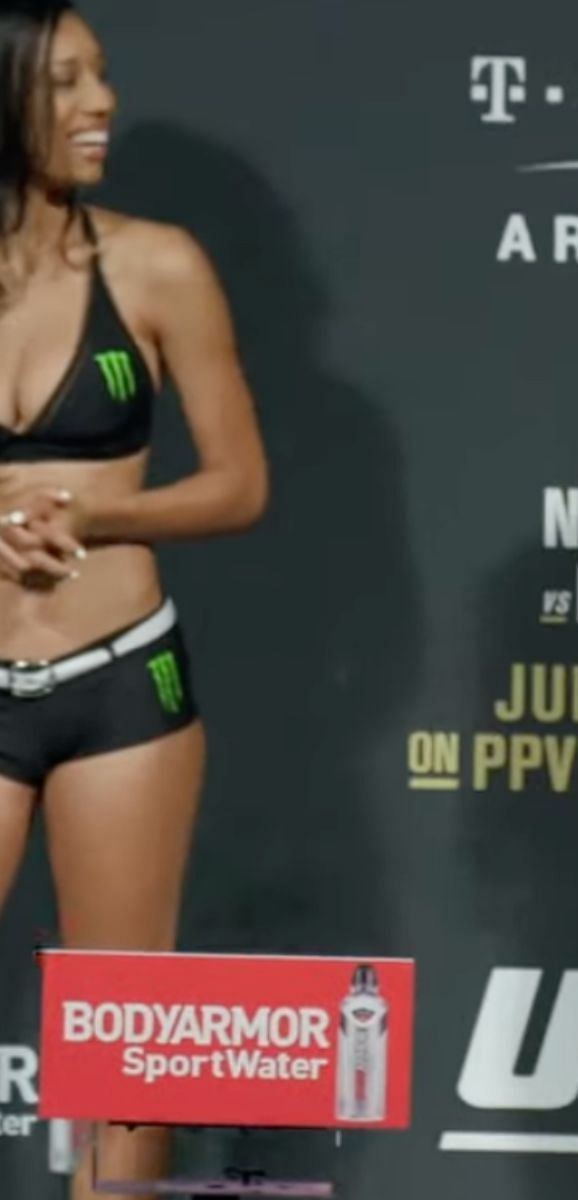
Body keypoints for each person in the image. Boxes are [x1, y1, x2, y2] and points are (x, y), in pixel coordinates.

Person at [0, 3, 268, 1198]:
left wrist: (102, 517)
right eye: (65, 82)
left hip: (120, 678)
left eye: (103, 77)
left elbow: (237, 483)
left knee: (121, 1034)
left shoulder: (157, 264)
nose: (100, 104)